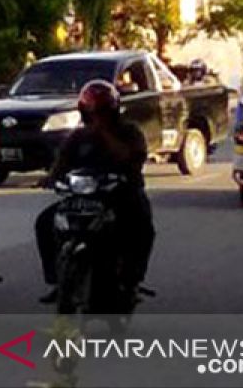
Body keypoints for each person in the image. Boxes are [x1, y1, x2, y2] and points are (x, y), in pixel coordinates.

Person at [34, 80, 154, 302]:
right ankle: (57, 280)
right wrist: (51, 178)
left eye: (103, 112)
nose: (98, 117)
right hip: (82, 199)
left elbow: (131, 158)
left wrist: (105, 134)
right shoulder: (77, 137)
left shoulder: (129, 132)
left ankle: (131, 280)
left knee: (142, 226)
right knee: (45, 223)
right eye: (93, 113)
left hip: (119, 197)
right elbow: (61, 165)